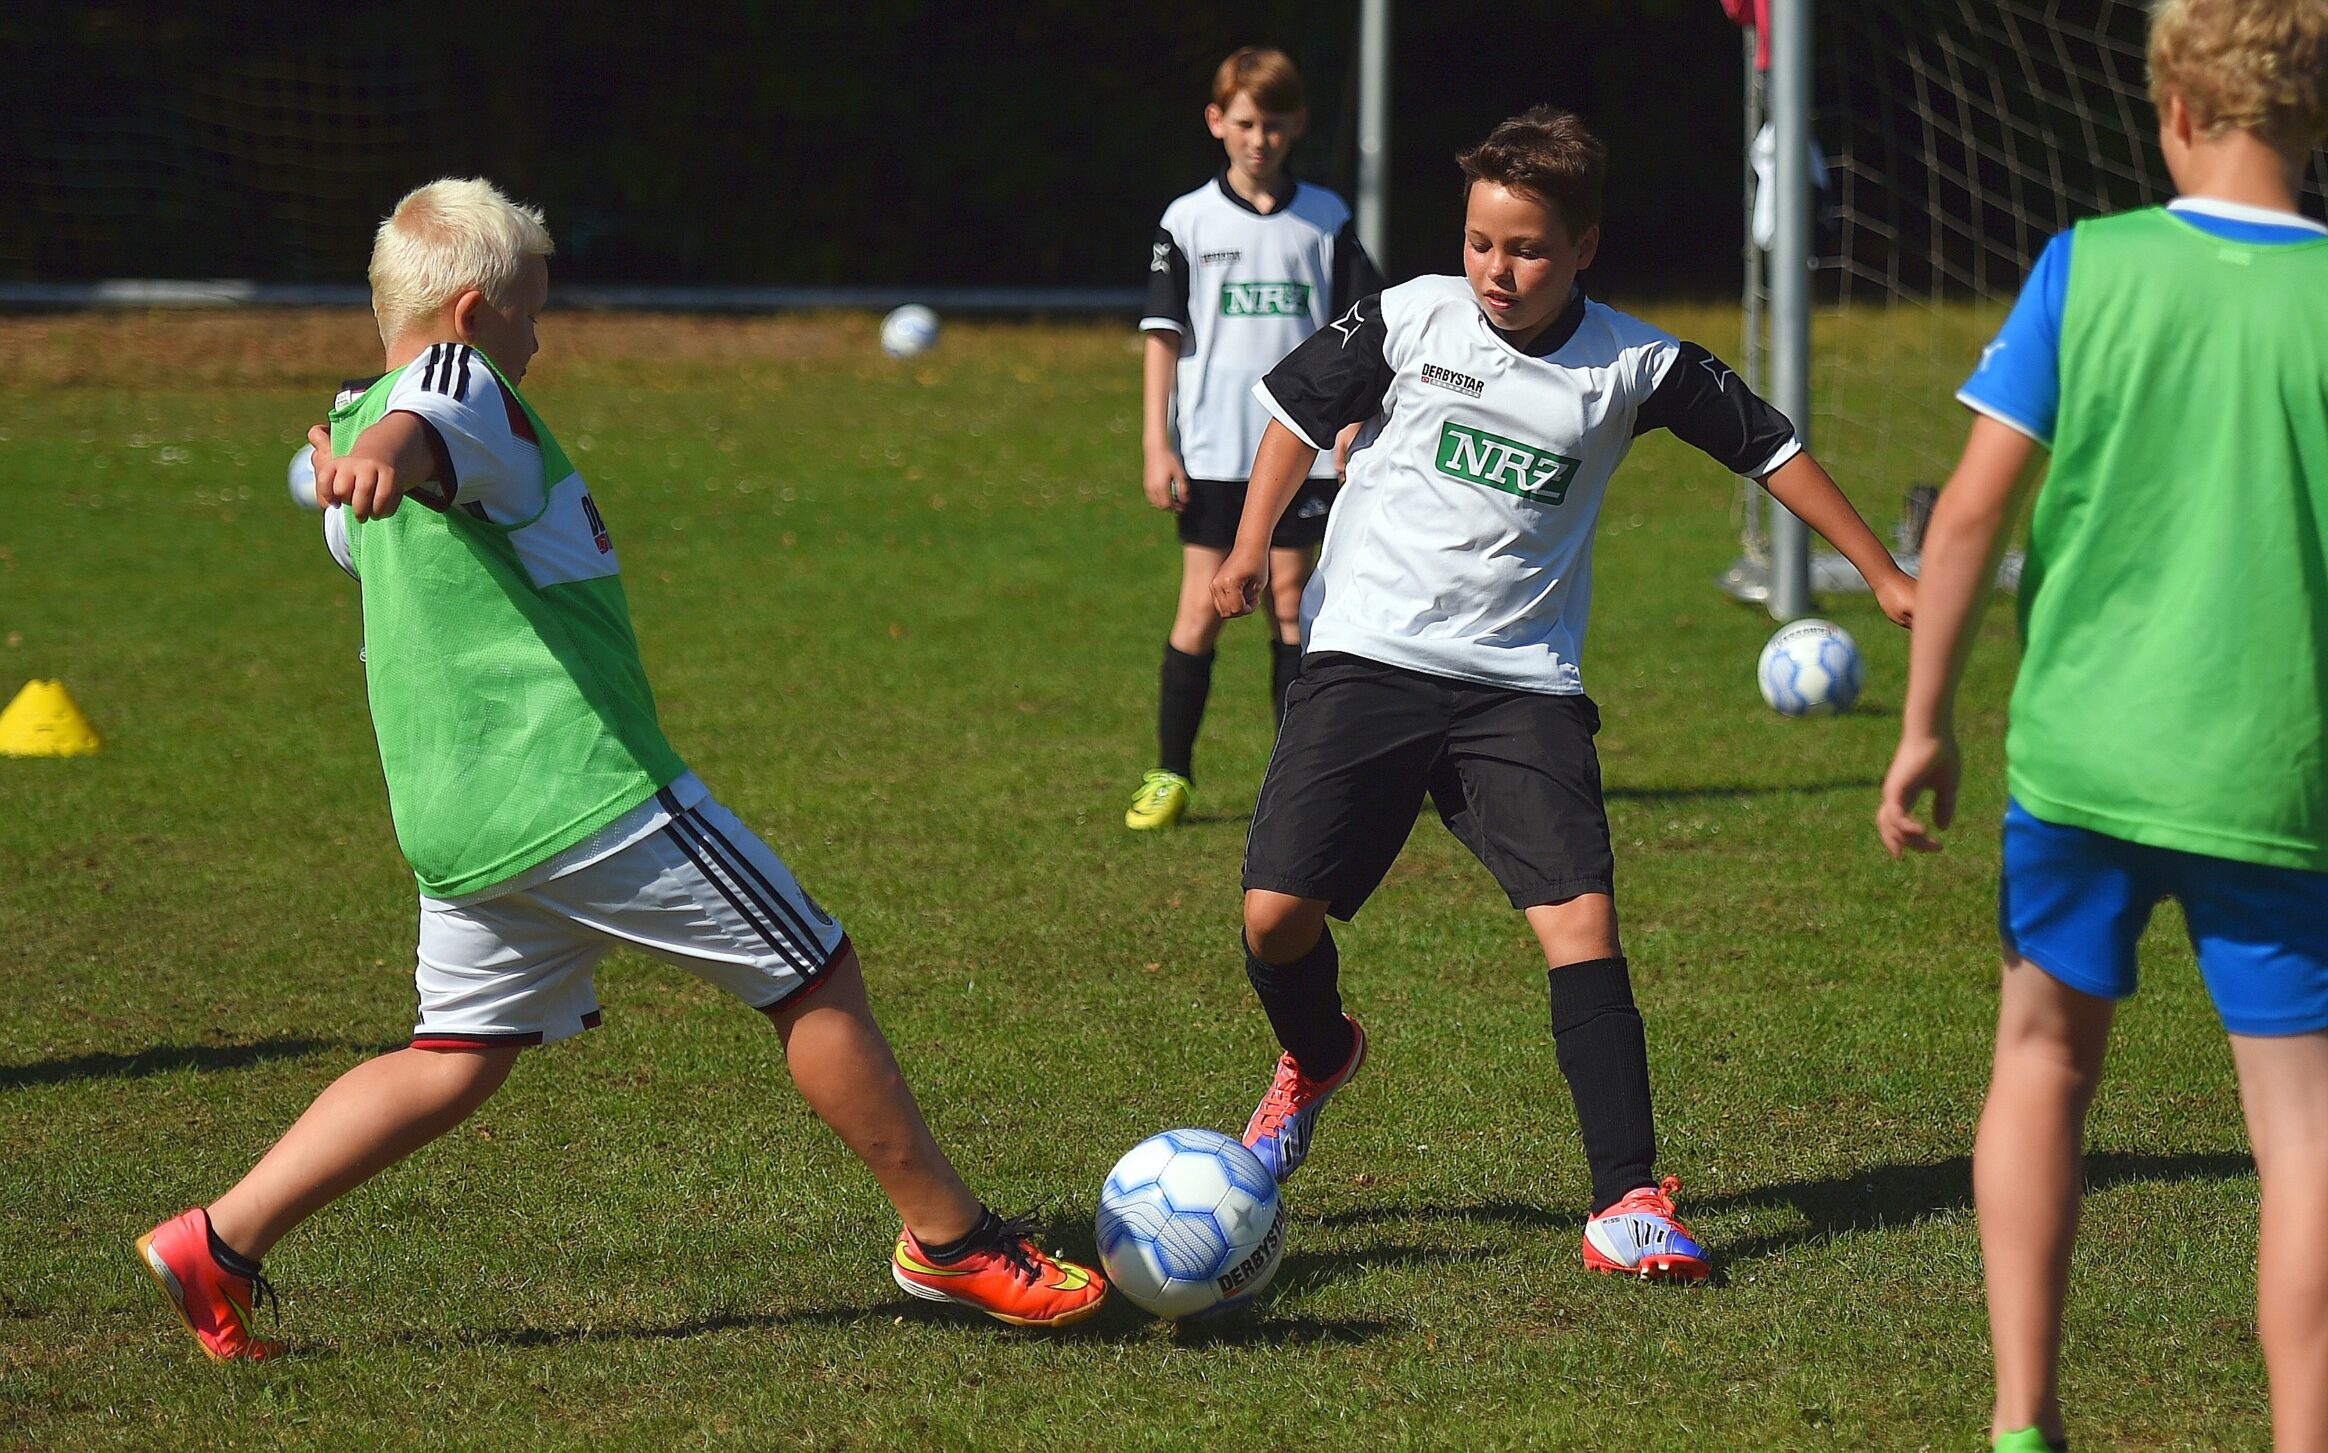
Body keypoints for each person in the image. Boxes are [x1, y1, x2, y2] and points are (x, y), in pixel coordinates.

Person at [134, 179, 1107, 1362]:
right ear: (476, 312)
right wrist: (382, 446)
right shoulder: (458, 385)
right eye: (533, 317)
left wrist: (357, 452)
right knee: (813, 972)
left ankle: (218, 1241)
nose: (539, 343)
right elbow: (429, 423)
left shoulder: (366, 416)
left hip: (457, 819)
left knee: (453, 1056)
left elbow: (389, 487)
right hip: (582, 789)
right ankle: (949, 1242)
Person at [1874, 2, 2328, 1447]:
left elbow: (1968, 513)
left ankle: (2025, 1420)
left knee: (2041, 1061)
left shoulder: (2087, 270)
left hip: (2082, 758)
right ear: (2319, 112)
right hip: (2279, 780)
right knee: (2314, 1144)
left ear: (2173, 105)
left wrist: (1925, 720)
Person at [1213, 108, 1917, 1280]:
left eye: (1528, 249)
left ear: (1584, 247)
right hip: (1367, 657)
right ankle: (1319, 1052)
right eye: (1483, 242)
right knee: (1273, 920)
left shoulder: (1635, 365)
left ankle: (1627, 1198)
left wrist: (1886, 577)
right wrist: (1247, 549)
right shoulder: (1408, 315)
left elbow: (1767, 447)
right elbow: (1292, 413)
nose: (1498, 270)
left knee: (1579, 923)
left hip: (1518, 689)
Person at [1127, 45, 1381, 830]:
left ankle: (1291, 778)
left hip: (1297, 454)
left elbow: (1362, 335)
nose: (1259, 138)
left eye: (1274, 124)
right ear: (1216, 123)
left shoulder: (1328, 220)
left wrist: (1348, 423)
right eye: (1244, 122)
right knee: (1200, 609)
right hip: (1211, 451)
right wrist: (1155, 444)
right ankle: (1170, 773)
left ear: (1298, 124)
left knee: (1293, 605)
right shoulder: (1187, 220)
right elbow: (1163, 336)